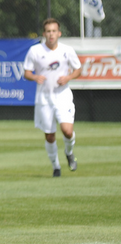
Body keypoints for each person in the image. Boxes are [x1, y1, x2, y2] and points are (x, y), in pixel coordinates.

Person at [23, 18, 82, 177]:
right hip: (44, 98)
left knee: (67, 131)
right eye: (48, 31)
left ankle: (69, 153)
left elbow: (78, 69)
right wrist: (35, 77)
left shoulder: (67, 50)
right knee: (49, 135)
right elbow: (27, 72)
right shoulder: (35, 51)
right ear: (44, 34)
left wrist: (68, 77)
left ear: (59, 33)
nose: (51, 34)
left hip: (62, 96)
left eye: (54, 31)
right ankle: (56, 166)